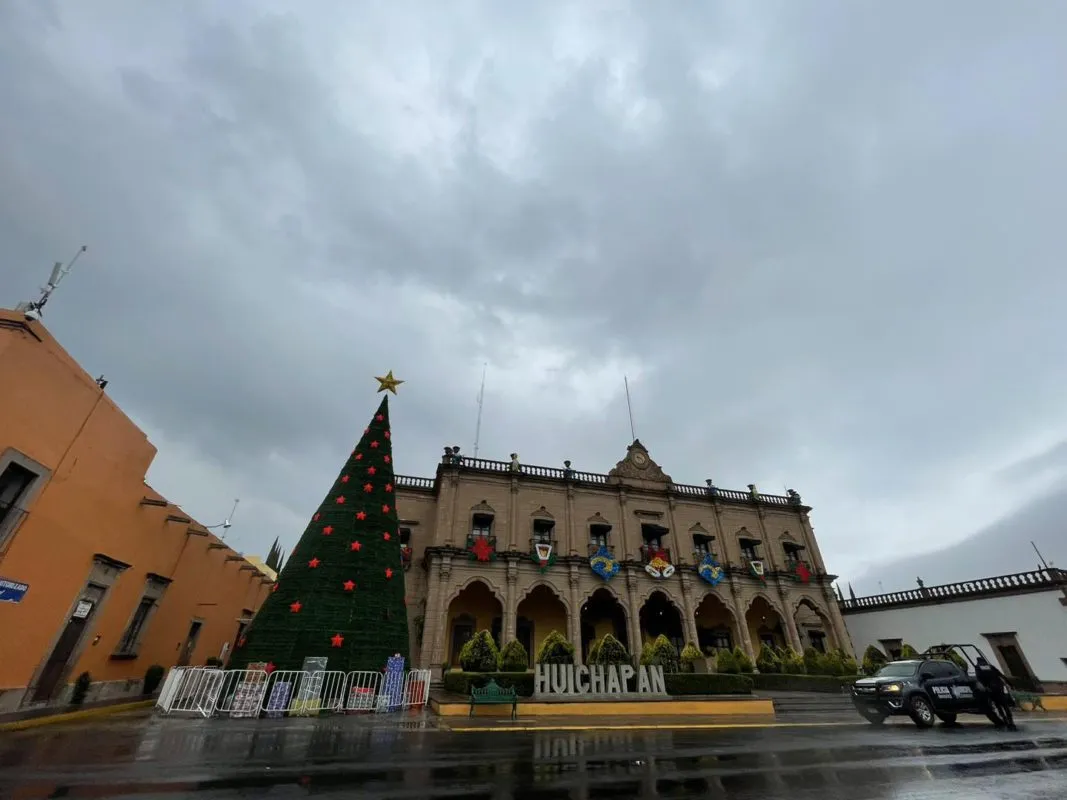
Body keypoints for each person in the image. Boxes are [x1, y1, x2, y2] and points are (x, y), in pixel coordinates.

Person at [975, 656, 1016, 730]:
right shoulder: (991, 666)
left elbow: (979, 678)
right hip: (999, 686)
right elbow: (1001, 675)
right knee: (1004, 705)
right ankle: (1011, 722)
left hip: (991, 688)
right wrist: (1010, 684)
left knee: (998, 705)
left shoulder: (978, 667)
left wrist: (985, 687)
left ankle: (1004, 719)